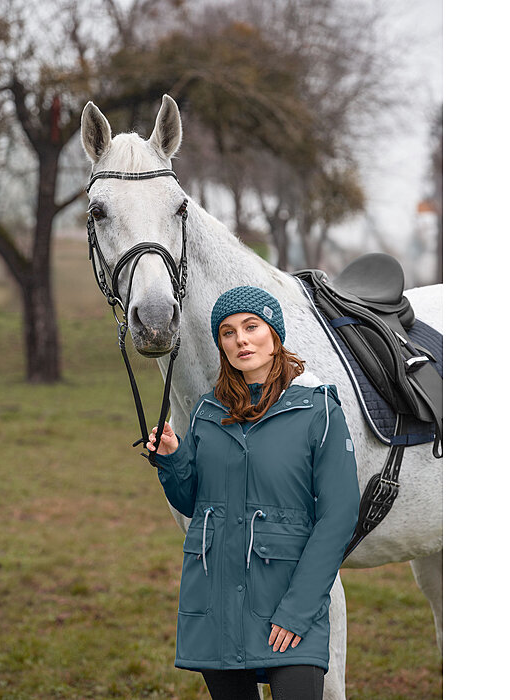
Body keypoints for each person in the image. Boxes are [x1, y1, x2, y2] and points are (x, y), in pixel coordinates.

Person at [146, 286, 360, 700]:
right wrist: (173, 459)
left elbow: (339, 518)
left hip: (287, 604)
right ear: (221, 346)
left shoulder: (318, 411)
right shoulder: (208, 414)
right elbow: (193, 501)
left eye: (251, 326)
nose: (240, 339)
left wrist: (297, 611)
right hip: (216, 603)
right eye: (227, 332)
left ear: (274, 335)